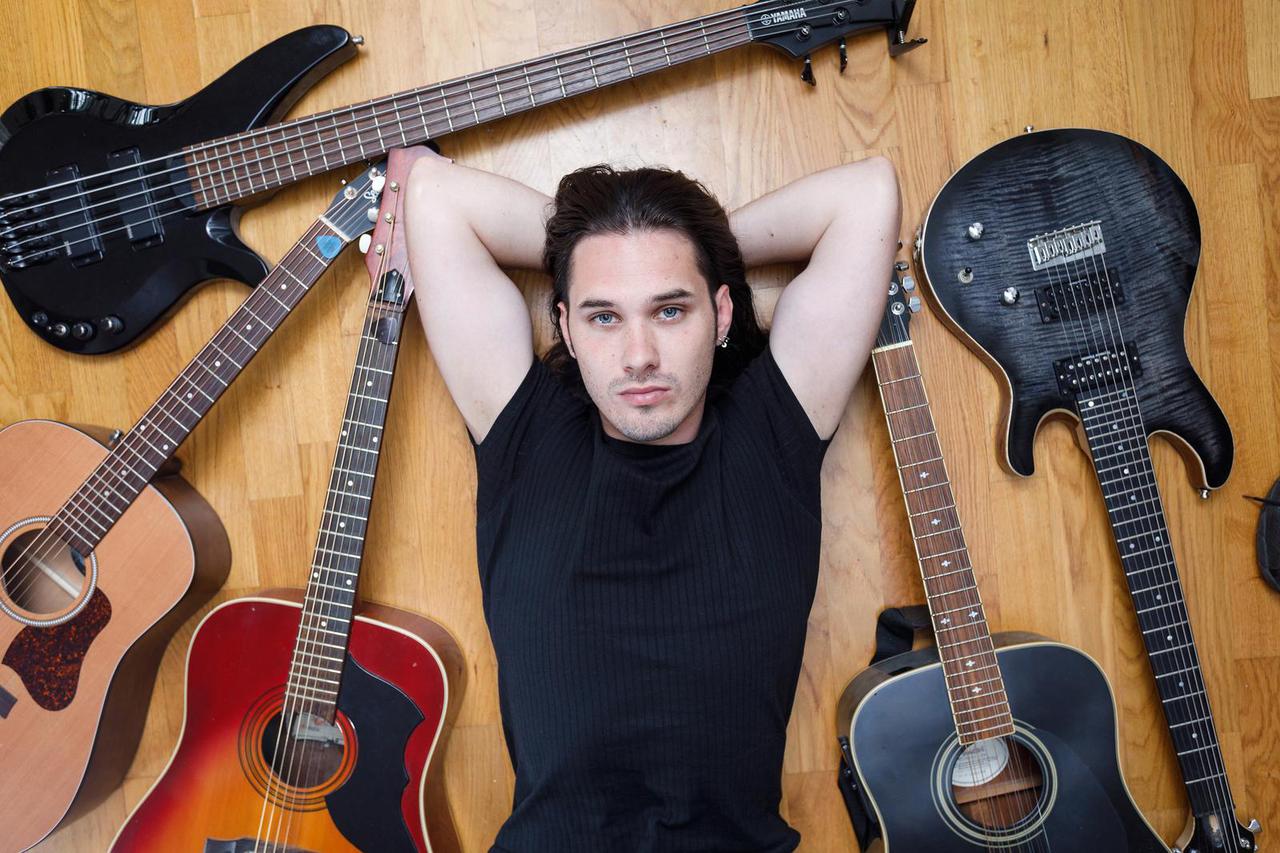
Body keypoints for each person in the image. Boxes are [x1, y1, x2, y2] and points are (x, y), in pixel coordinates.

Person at [405, 150, 900, 852]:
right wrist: (611, 240)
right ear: (567, 328)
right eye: (604, 316)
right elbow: (433, 197)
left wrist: (688, 238)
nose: (639, 354)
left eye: (670, 309)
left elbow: (867, 195)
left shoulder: (772, 437)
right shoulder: (527, 439)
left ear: (721, 312)